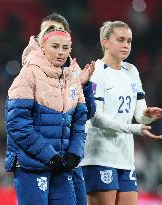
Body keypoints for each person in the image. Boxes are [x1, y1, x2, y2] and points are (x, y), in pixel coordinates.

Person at [80, 21, 162, 205]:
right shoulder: (96, 72)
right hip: (99, 156)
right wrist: (135, 129)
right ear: (105, 42)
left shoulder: (131, 71)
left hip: (125, 158)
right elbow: (95, 117)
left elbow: (139, 116)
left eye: (129, 40)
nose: (126, 45)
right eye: (120, 40)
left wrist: (147, 114)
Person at [5, 25, 88, 205]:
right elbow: (17, 123)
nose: (60, 52)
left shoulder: (73, 79)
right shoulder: (28, 74)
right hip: (32, 165)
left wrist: (74, 153)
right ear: (43, 46)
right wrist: (49, 156)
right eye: (55, 46)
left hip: (62, 165)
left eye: (65, 48)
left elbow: (80, 124)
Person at [33, 12, 95, 205]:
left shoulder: (77, 72)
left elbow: (88, 114)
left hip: (69, 161)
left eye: (57, 30)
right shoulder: (31, 71)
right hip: (39, 161)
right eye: (47, 31)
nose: (52, 35)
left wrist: (83, 85)